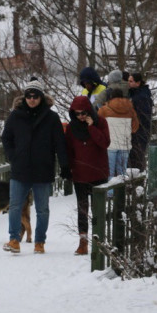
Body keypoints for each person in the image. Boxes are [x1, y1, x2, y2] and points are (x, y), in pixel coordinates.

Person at [1, 77, 71, 254]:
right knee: (15, 206)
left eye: (35, 96)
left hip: (43, 168)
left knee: (42, 209)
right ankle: (14, 239)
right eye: (29, 96)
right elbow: (6, 138)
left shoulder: (52, 118)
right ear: (24, 97)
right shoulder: (16, 116)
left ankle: (40, 242)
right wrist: (13, 156)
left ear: (41, 98)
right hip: (21, 168)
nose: (32, 99)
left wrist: (64, 165)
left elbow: (59, 143)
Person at [64, 95, 110, 255]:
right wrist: (68, 169)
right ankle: (83, 242)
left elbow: (104, 143)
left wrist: (92, 127)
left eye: (84, 113)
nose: (81, 117)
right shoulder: (71, 128)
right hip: (80, 174)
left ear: (89, 111)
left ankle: (100, 241)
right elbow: (69, 150)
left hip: (98, 172)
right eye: (77, 114)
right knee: (82, 210)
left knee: (98, 209)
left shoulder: (101, 122)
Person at [97, 88, 138, 181]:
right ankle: (121, 194)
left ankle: (110, 194)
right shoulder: (131, 110)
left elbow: (98, 126)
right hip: (125, 144)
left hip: (110, 145)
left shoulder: (104, 110)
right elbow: (135, 127)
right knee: (122, 172)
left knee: (110, 172)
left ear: (111, 98)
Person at [128, 72, 153, 170]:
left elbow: (142, 116)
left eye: (131, 81)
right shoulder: (137, 94)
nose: (128, 83)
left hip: (139, 132)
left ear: (137, 83)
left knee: (137, 158)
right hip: (139, 131)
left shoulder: (140, 97)